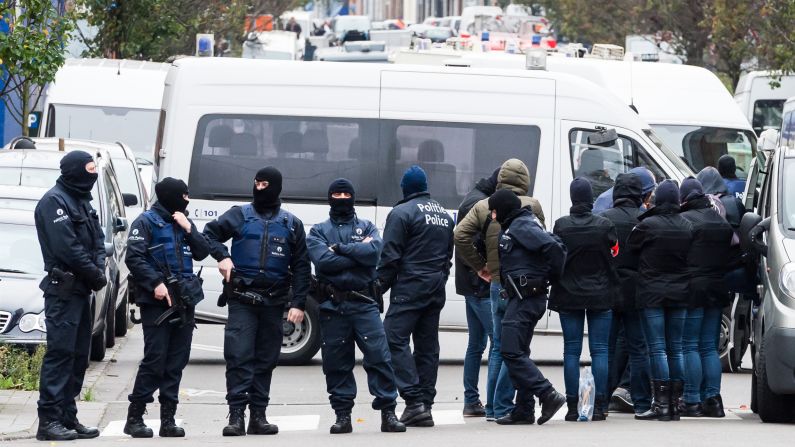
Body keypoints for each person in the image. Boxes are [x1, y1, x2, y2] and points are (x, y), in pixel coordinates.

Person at [203, 167, 311, 436]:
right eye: (257, 183)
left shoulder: (291, 223)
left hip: (274, 302)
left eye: (265, 184)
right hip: (242, 299)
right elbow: (209, 235)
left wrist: (298, 303)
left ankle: (258, 416)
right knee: (239, 357)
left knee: (266, 359)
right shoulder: (240, 215)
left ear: (276, 187)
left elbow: (301, 266)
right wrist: (222, 256)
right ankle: (236, 416)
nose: (260, 188)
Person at [306, 179, 406, 434]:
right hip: (332, 306)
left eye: (346, 193)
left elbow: (374, 254)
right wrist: (355, 255)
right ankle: (342, 416)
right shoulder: (318, 231)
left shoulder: (367, 226)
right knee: (336, 363)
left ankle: (388, 413)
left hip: (364, 304)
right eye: (337, 193)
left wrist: (340, 249)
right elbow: (323, 261)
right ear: (330, 197)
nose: (341, 197)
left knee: (379, 358)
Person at [454, 158, 546, 421]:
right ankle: (504, 405)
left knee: (497, 347)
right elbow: (542, 239)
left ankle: (493, 408)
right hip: (523, 286)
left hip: (495, 283)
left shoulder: (484, 206)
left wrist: (480, 267)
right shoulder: (533, 205)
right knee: (515, 346)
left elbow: (459, 235)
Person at [123, 178, 211, 438]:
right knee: (155, 359)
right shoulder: (146, 221)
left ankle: (168, 420)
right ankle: (135, 416)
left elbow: (202, 251)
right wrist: (156, 283)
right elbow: (134, 257)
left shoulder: (182, 221)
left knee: (176, 361)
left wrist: (189, 229)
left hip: (184, 301)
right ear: (170, 195)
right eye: (183, 195)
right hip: (158, 303)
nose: (187, 200)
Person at [33, 151, 107, 441]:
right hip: (63, 291)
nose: (92, 177)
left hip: (82, 289)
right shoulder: (54, 202)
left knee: (78, 357)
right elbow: (67, 248)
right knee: (61, 355)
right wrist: (95, 273)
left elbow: (98, 241)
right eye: (88, 171)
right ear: (75, 171)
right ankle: (48, 420)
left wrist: (98, 269)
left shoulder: (81, 200)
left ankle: (67, 416)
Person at [378, 165, 454, 427]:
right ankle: (426, 406)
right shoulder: (445, 215)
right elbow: (447, 259)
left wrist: (377, 288)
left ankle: (413, 401)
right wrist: (439, 279)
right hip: (435, 288)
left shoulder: (401, 213)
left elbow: (390, 257)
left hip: (410, 287)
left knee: (392, 338)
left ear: (405, 188)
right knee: (427, 347)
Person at [488, 189, 567, 425]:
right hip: (524, 297)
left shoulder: (521, 226)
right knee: (519, 351)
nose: (493, 216)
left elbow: (554, 248)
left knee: (510, 351)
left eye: (494, 211)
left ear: (502, 209)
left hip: (526, 298)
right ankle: (524, 410)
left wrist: (551, 277)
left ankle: (547, 394)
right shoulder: (521, 222)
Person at [550, 178, 618, 421]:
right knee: (600, 350)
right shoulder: (605, 225)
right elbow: (613, 253)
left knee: (571, 350)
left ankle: (571, 406)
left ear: (572, 198)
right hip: (600, 293)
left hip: (569, 294)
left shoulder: (561, 226)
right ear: (590, 199)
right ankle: (599, 406)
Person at [629, 180, 693, 421]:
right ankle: (675, 405)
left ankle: (661, 405)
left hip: (651, 292)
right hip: (680, 293)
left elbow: (631, 247)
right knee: (676, 348)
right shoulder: (687, 226)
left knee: (657, 348)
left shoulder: (647, 225)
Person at [678, 178, 733, 418]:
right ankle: (713, 400)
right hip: (717, 287)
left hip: (692, 288)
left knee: (690, 344)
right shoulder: (721, 223)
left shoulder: (686, 221)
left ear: (685, 198)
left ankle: (691, 399)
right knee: (709, 346)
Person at [600, 173, 653, 418]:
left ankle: (602, 401)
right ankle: (641, 402)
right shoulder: (645, 220)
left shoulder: (603, 219)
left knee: (606, 348)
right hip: (637, 292)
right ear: (638, 194)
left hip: (609, 290)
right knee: (638, 348)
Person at [454, 168, 499, 417]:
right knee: (496, 342)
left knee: (477, 343)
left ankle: (471, 401)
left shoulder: (476, 196)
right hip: (479, 285)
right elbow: (470, 243)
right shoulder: (479, 203)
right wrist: (483, 270)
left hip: (470, 284)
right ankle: (491, 403)